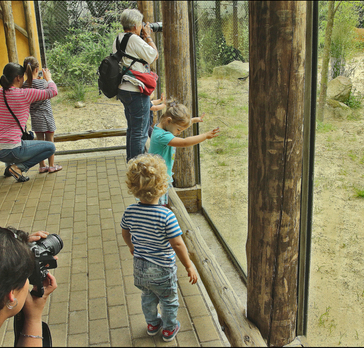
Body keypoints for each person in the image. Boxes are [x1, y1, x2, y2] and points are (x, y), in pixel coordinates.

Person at [121, 153, 198, 342]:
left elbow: (125, 232)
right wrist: (188, 265)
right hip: (162, 269)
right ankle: (169, 328)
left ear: (133, 187)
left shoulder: (130, 211)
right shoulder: (166, 216)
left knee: (147, 296)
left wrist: (131, 246)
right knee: (168, 299)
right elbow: (177, 243)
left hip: (140, 267)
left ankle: (152, 323)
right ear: (163, 186)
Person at [0, 62, 58, 182]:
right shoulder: (25, 94)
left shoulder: (0, 92)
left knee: (12, 140)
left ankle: (8, 168)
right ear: (18, 78)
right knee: (50, 147)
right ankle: (18, 168)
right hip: (8, 151)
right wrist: (48, 79)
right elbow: (52, 92)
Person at [148, 102, 220, 206]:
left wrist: (194, 120)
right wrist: (204, 136)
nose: (179, 133)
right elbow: (185, 142)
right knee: (158, 205)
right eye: (178, 130)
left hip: (158, 175)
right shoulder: (162, 136)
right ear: (168, 121)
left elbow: (177, 125)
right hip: (157, 178)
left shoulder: (161, 127)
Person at [114, 9, 159, 162]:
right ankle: (137, 168)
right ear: (135, 25)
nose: (141, 26)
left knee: (132, 129)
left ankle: (131, 162)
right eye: (140, 23)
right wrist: (148, 37)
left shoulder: (118, 39)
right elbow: (154, 55)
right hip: (136, 91)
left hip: (124, 89)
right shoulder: (133, 39)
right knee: (140, 132)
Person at [22, 56, 62, 174]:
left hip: (35, 118)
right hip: (46, 116)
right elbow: (53, 90)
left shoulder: (24, 85)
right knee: (50, 141)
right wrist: (48, 78)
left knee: (39, 141)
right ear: (37, 69)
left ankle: (42, 166)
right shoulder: (43, 83)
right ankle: (51, 165)